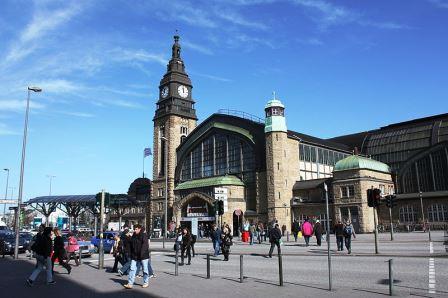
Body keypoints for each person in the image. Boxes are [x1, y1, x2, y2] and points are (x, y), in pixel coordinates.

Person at [123, 224, 151, 289]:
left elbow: (145, 245)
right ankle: (130, 283)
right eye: (134, 229)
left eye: (136, 229)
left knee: (145, 269)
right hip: (135, 255)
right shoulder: (134, 235)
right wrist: (128, 238)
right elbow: (131, 244)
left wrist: (141, 254)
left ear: (139, 229)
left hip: (143, 256)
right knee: (132, 269)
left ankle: (146, 282)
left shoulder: (144, 235)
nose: (135, 230)